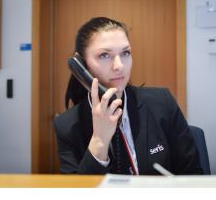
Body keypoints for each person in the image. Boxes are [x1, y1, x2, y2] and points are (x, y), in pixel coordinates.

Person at [54, 17, 203, 175]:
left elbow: (193, 174)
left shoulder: (162, 103)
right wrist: (99, 140)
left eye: (125, 53)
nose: (119, 66)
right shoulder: (67, 125)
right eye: (104, 55)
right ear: (82, 65)